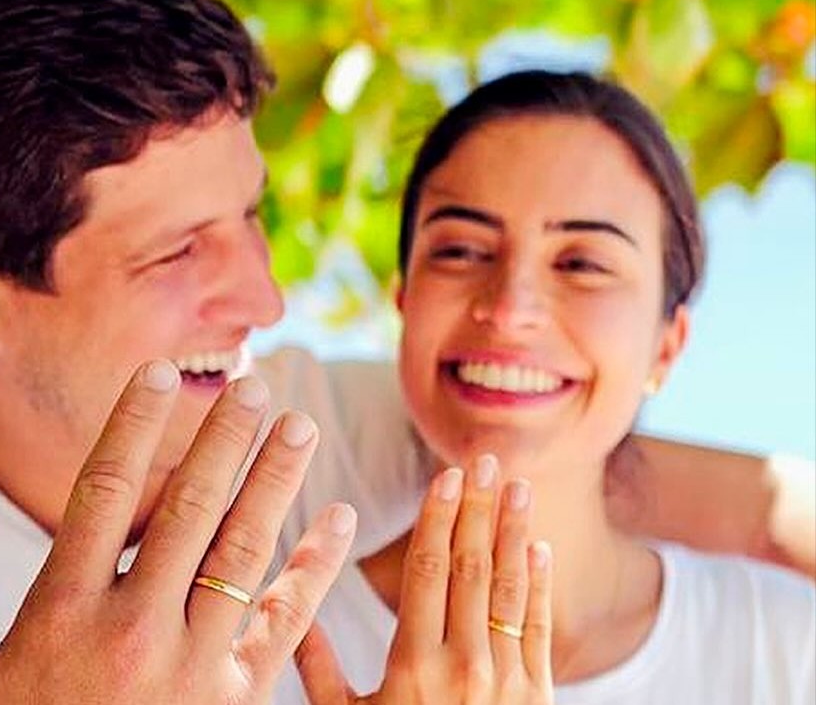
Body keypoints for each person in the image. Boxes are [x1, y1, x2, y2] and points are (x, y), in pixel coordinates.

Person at [0, 0, 808, 705]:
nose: (264, 298)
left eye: (248, 216)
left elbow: (731, 500)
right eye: (177, 251)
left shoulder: (293, 420)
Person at [286, 71, 816, 703]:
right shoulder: (269, 644)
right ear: (404, 303)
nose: (510, 309)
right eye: (460, 251)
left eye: (582, 263)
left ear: (666, 346)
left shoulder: (785, 646)